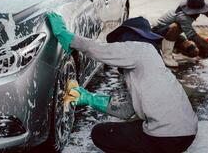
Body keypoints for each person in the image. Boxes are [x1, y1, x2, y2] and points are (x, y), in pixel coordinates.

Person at [47, 13, 198, 153]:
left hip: (166, 135)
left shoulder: (141, 49)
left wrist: (66, 35)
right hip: (186, 133)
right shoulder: (150, 67)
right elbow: (126, 110)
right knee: (134, 128)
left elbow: (98, 49)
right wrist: (89, 98)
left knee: (101, 133)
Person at [152, 0, 208, 67]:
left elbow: (206, 12)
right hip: (157, 35)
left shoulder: (192, 7)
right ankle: (167, 56)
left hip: (172, 36)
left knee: (193, 51)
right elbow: (192, 36)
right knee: (176, 27)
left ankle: (172, 48)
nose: (200, 14)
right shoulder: (183, 17)